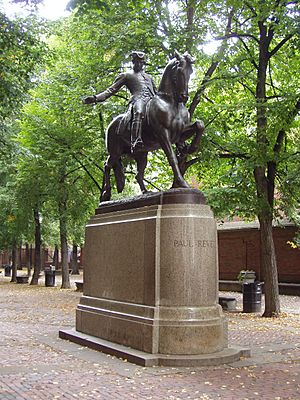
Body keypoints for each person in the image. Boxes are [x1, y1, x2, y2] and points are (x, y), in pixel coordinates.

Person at [83, 51, 157, 153]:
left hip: (152, 101)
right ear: (133, 62)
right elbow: (111, 90)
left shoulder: (149, 77)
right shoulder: (126, 75)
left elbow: (156, 92)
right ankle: (135, 140)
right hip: (138, 100)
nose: (140, 64)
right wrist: (95, 98)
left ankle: (179, 141)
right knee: (139, 112)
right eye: (137, 62)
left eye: (142, 62)